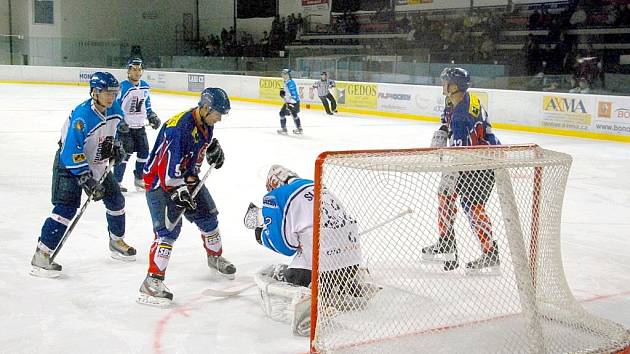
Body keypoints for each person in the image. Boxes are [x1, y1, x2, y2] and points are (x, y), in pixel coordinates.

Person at [243, 165, 373, 336]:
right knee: (318, 249)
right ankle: (349, 283)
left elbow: (285, 246)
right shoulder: (318, 185)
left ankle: (308, 306)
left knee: (290, 275)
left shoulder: (276, 196)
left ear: (273, 183)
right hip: (353, 261)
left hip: (321, 268)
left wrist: (262, 236)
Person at [30, 72, 135, 278]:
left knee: (116, 201)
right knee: (65, 209)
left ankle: (116, 241)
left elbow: (111, 133)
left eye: (114, 92)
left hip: (98, 163)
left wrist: (116, 146)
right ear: (94, 92)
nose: (111, 97)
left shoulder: (115, 109)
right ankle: (42, 254)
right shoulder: (82, 116)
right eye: (106, 92)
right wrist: (86, 179)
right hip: (69, 165)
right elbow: (70, 150)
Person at [137, 87, 235, 307]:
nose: (220, 118)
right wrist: (176, 189)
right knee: (168, 230)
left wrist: (211, 151)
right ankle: (152, 282)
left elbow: (196, 151)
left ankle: (214, 257)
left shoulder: (205, 124)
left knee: (209, 217)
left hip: (187, 179)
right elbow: (166, 166)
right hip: (160, 183)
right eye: (218, 113)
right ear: (206, 107)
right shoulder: (180, 128)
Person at [422, 67, 501, 275]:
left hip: (480, 164)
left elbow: (460, 153)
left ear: (454, 86)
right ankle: (447, 243)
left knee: (471, 206)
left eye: (445, 82)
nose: (443, 85)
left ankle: (489, 251)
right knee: (446, 196)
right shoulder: (459, 101)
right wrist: (442, 130)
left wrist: (442, 156)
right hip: (478, 158)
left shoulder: (461, 116)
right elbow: (446, 121)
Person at [114, 58, 161, 192]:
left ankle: (139, 178)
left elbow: (147, 104)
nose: (137, 72)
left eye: (139, 69)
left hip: (139, 126)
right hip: (126, 128)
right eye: (134, 69)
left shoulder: (145, 86)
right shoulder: (123, 87)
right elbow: (116, 105)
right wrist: (120, 121)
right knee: (124, 153)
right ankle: (116, 181)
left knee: (144, 152)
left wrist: (151, 115)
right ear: (128, 71)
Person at [277, 69, 303, 135]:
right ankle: (299, 128)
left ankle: (284, 129)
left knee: (282, 113)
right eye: (282, 74)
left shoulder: (290, 83)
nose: (283, 75)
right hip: (292, 102)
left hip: (292, 102)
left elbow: (294, 94)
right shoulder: (286, 82)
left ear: (288, 75)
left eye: (284, 74)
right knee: (293, 114)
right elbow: (287, 93)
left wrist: (290, 103)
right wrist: (283, 95)